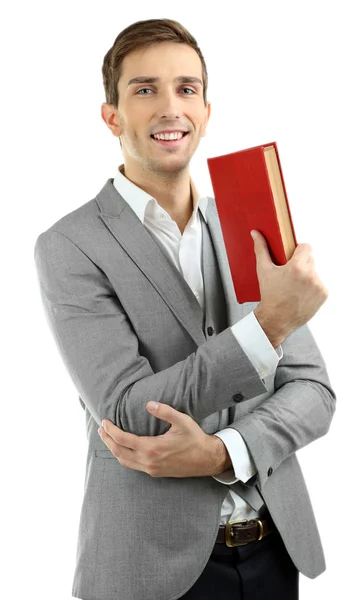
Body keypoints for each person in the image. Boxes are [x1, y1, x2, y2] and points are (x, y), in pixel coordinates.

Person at [33, 17, 336, 600]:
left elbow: (314, 393)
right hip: (148, 573)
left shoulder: (250, 222)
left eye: (186, 88)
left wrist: (225, 451)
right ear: (112, 116)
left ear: (206, 110)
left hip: (275, 553)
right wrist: (271, 324)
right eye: (145, 89)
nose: (170, 107)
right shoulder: (69, 246)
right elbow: (129, 413)